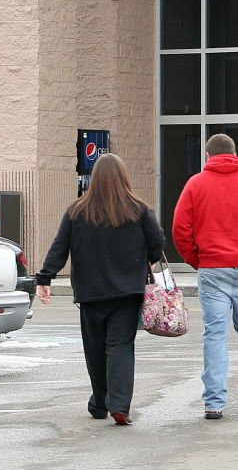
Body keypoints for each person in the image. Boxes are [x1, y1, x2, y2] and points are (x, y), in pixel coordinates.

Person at [35, 153, 164, 426]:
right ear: (123, 177)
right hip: (128, 293)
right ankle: (119, 406)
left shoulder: (77, 211)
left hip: (90, 292)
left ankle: (99, 403)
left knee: (94, 349)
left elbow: (60, 247)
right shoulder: (139, 210)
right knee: (119, 347)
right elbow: (157, 245)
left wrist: (45, 279)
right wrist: (143, 260)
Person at [171, 132, 238, 420]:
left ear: (208, 156)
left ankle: (214, 403)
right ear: (235, 154)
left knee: (215, 335)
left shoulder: (196, 184)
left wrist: (197, 260)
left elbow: (180, 229)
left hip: (213, 269)